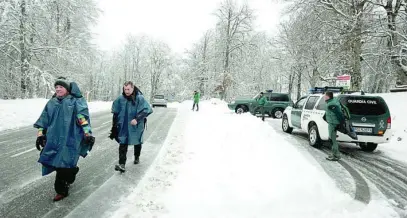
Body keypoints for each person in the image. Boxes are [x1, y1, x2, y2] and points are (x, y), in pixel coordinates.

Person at [34, 77, 95, 201]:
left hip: (71, 138)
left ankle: (61, 191)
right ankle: (71, 173)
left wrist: (87, 134)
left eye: (61, 87)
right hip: (53, 139)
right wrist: (40, 134)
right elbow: (43, 120)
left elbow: (82, 118)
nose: (58, 89)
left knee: (65, 163)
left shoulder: (75, 101)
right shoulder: (52, 103)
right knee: (56, 162)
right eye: (56, 87)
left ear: (67, 89)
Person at [109, 81, 153, 173]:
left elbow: (146, 110)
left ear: (132, 88)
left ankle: (137, 156)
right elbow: (115, 112)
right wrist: (114, 126)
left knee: (137, 141)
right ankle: (122, 164)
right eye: (125, 89)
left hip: (136, 125)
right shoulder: (120, 99)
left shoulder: (139, 98)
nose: (126, 91)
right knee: (123, 143)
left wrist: (137, 119)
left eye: (128, 89)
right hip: (124, 125)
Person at [323, 91, 345, 161]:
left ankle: (336, 155)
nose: (324, 97)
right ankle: (334, 154)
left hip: (333, 124)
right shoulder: (333, 101)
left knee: (332, 140)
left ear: (328, 97)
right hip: (332, 123)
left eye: (325, 96)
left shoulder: (331, 104)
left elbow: (339, 114)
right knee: (332, 139)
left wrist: (340, 123)